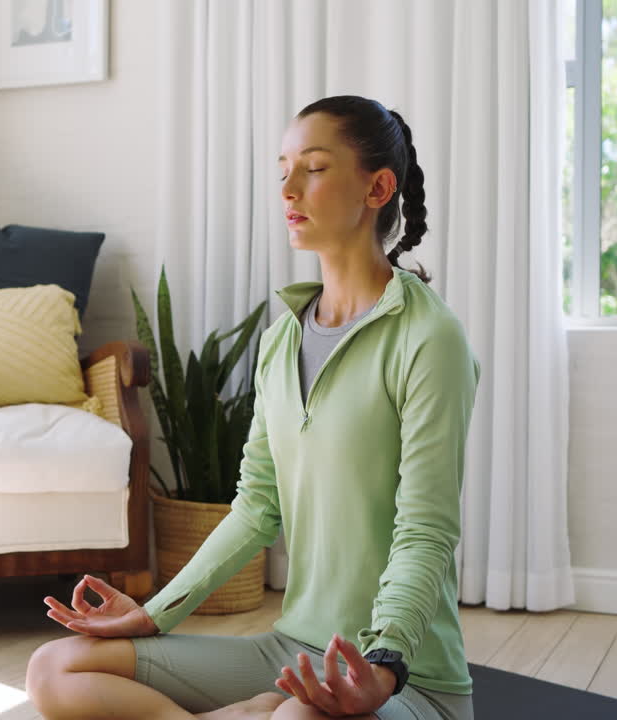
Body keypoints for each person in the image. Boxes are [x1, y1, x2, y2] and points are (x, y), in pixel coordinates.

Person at [26, 95, 480, 720]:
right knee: (55, 667)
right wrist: (155, 612)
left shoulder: (430, 340)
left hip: (408, 682)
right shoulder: (283, 338)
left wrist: (385, 663)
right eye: (283, 169)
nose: (288, 188)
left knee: (294, 717)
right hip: (291, 649)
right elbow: (257, 506)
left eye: (314, 168)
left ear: (378, 187)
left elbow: (426, 532)